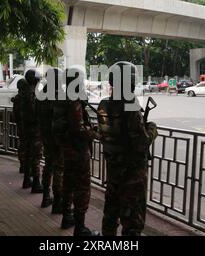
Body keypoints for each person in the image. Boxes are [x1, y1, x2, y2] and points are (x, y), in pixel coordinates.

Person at [96, 61, 158, 236]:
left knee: (110, 216)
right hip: (132, 174)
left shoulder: (104, 104)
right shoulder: (130, 104)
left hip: (113, 170)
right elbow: (141, 142)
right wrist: (152, 129)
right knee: (132, 222)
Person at [52, 66, 100, 236]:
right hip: (77, 150)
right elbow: (77, 129)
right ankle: (80, 228)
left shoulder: (62, 98)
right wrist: (94, 133)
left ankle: (67, 217)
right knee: (82, 188)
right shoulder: (73, 101)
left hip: (66, 149)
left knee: (68, 183)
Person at [37, 68, 64, 213]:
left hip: (45, 135)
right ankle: (58, 202)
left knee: (48, 165)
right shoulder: (59, 95)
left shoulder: (41, 94)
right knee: (59, 168)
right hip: (57, 138)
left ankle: (46, 196)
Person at [21, 69, 43, 193]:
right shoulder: (33, 93)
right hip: (35, 128)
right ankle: (36, 182)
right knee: (36, 156)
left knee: (29, 153)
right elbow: (35, 111)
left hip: (27, 127)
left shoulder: (25, 92)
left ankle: (26, 179)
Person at [12, 77, 28, 173]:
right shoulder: (26, 97)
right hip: (27, 126)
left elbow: (15, 114)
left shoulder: (17, 98)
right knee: (28, 147)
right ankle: (26, 167)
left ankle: (22, 165)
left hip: (20, 125)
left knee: (22, 145)